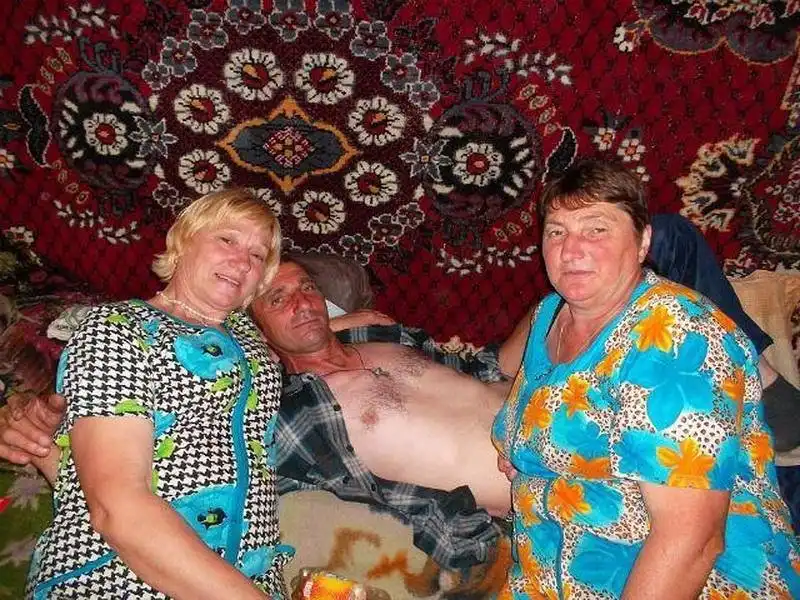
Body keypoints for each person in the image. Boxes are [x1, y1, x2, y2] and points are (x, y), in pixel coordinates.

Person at [2, 206, 797, 570]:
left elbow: (494, 365)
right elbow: (163, 438)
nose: (300, 301)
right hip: (578, 490)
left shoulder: (382, 334)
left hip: (564, 404)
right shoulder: (279, 409)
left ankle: (772, 397)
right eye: (275, 297)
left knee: (656, 237)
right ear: (249, 328)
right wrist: (45, 422)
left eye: (306, 289)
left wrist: (560, 300)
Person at [492, 159, 799, 599]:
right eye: (556, 231)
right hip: (548, 574)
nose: (570, 250)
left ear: (643, 242)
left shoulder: (679, 336)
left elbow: (691, 543)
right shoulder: (548, 317)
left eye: (596, 229)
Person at [24, 188, 291, 599]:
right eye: (227, 239)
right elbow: (117, 505)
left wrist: (350, 322)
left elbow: (311, 338)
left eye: (258, 255)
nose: (243, 262)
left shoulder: (252, 341)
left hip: (251, 579)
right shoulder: (116, 329)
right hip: (118, 578)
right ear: (183, 241)